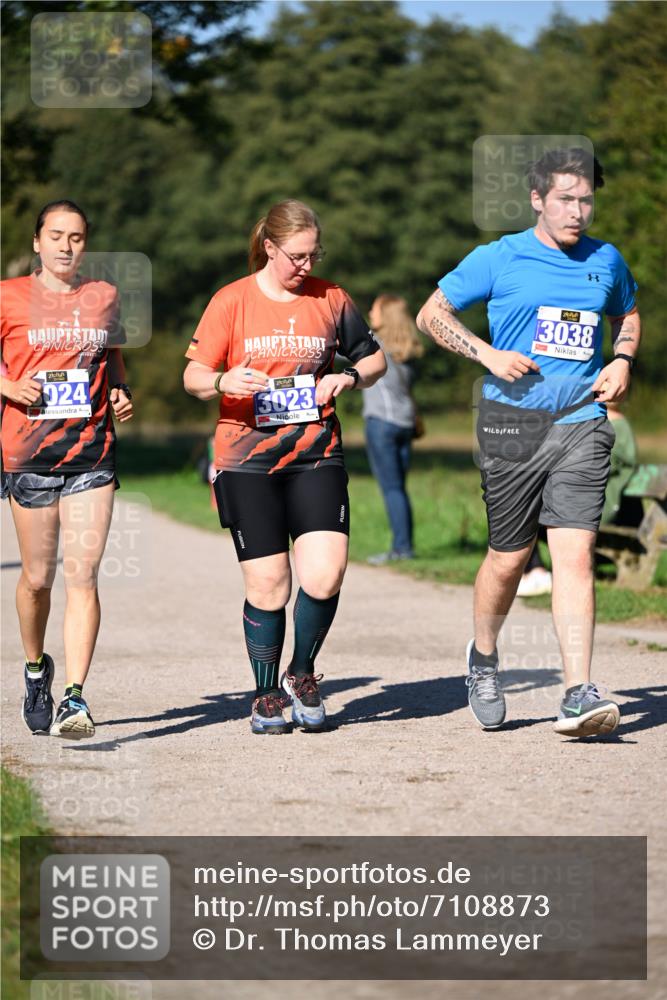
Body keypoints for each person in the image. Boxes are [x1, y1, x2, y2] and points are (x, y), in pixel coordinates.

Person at [417, 147, 640, 738]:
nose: (578, 211)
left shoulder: (607, 260)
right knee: (511, 557)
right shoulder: (499, 256)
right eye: (566, 199)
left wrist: (622, 359)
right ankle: (484, 659)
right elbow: (430, 315)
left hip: (582, 421)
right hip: (510, 425)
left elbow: (629, 313)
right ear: (538, 199)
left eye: (587, 199)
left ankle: (577, 691)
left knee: (573, 553)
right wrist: (487, 353)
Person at [184, 200, 386, 734]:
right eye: (296, 255)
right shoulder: (231, 301)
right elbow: (194, 377)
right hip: (246, 459)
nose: (306, 265)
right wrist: (223, 382)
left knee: (325, 573)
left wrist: (351, 378)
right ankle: (266, 692)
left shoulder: (331, 297)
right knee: (270, 584)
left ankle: (302, 672)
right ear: (270, 247)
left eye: (314, 254)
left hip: (316, 453)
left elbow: (373, 357)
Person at [1, 200, 133, 739]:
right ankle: (37, 670)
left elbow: (113, 358)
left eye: (76, 237)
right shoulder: (7, 296)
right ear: (37, 242)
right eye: (55, 236)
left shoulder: (102, 297)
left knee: (83, 575)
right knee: (37, 579)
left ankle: (74, 699)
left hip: (91, 452)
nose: (65, 246)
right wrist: (7, 386)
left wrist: (122, 390)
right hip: (28, 453)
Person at [363, 294, 424, 565]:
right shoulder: (407, 351)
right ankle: (405, 545)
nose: (369, 313)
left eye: (374, 310)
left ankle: (401, 549)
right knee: (399, 488)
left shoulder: (373, 346)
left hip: (381, 424)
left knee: (391, 489)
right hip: (404, 424)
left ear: (385, 316)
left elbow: (334, 350)